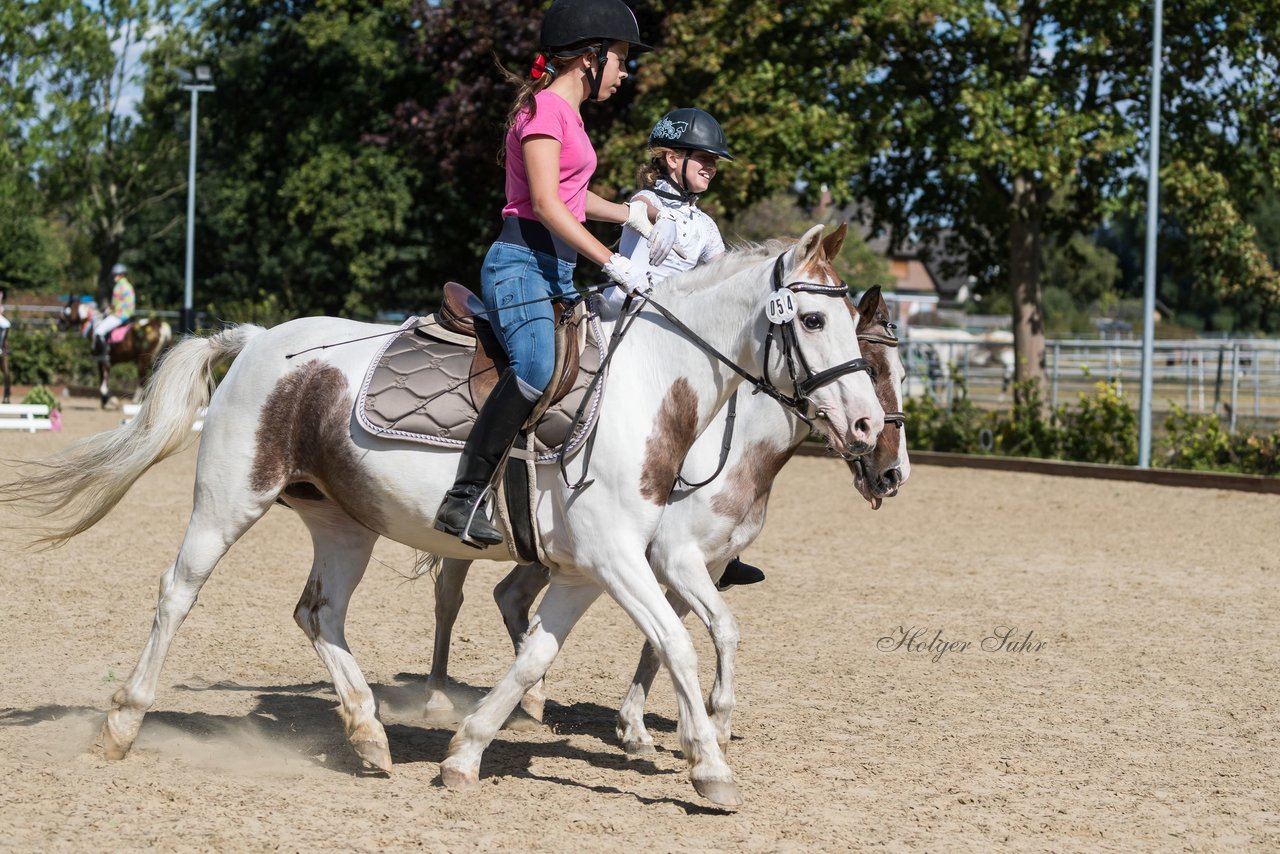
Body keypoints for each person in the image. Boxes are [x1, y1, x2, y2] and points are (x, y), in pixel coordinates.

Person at [433, 0, 663, 546]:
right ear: (591, 57)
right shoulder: (543, 112)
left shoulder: (570, 117)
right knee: (536, 366)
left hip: (554, 268)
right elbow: (546, 203)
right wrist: (612, 261)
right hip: (520, 265)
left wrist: (628, 212)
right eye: (622, 59)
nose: (625, 72)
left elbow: (573, 199)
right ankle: (461, 498)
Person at [605, 107, 765, 590]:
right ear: (672, 158)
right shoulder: (644, 203)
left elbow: (724, 284)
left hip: (683, 345)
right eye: (704, 157)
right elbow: (629, 279)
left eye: (715, 160)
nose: (711, 167)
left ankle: (713, 538)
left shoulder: (706, 225)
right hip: (633, 329)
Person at [92, 264, 135, 362]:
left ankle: (104, 355)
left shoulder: (118, 287)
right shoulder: (129, 286)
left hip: (119, 315)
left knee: (99, 331)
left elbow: (115, 304)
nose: (114, 277)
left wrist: (109, 310)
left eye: (116, 275)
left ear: (121, 275)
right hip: (129, 315)